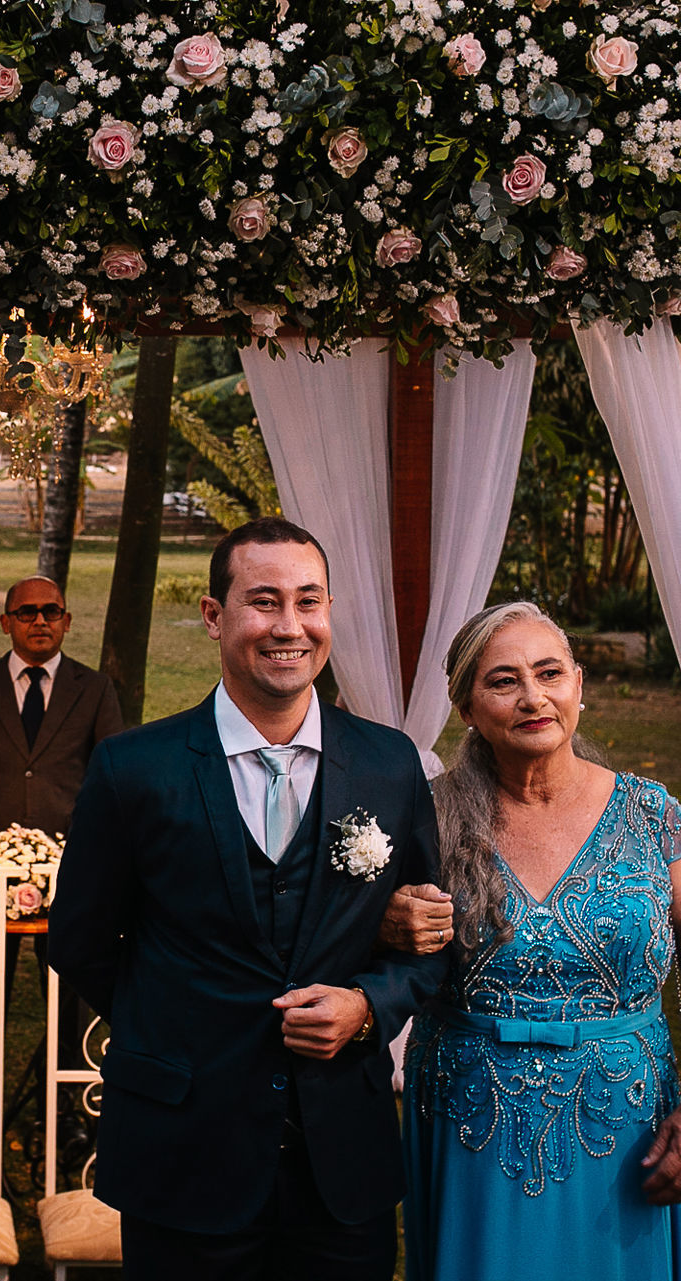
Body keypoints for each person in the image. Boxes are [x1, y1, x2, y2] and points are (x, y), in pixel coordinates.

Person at [50, 517, 448, 1281]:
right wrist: (178, 1023)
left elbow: (429, 941)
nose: (289, 626)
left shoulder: (389, 764)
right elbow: (79, 941)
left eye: (309, 600)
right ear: (214, 615)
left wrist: (367, 1006)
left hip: (342, 1158)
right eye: (264, 601)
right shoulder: (134, 769)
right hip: (183, 1151)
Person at [399, 601, 681, 1281]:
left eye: (549, 673)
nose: (533, 697)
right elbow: (371, 951)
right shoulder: (426, 818)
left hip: (630, 1135)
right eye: (503, 681)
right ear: (467, 706)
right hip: (473, 1129)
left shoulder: (651, 814)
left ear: (578, 684)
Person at [0, 574, 123, 1145]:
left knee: (68, 994)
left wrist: (98, 855)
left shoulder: (94, 689)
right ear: (6, 622)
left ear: (66, 621)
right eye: (27, 612)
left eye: (51, 611)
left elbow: (116, 781)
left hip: (69, 873)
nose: (40, 621)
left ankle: (62, 1114)